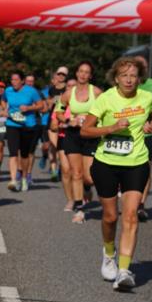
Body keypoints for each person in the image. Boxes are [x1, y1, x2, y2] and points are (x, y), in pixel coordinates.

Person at [81, 56, 152, 291]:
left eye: (133, 75)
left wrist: (150, 125)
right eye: (124, 75)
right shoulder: (105, 98)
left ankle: (124, 271)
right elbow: (85, 130)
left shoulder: (146, 97)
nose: (129, 80)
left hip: (136, 162)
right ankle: (108, 253)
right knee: (110, 216)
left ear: (139, 78)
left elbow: (150, 116)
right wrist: (111, 128)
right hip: (106, 162)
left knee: (131, 215)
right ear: (116, 78)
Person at [58, 60, 102, 223]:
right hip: (73, 135)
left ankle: (87, 187)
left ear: (90, 76)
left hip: (91, 135)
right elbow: (59, 111)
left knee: (88, 177)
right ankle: (80, 209)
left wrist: (92, 120)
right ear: (76, 73)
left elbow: (107, 110)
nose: (83, 74)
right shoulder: (69, 93)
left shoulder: (96, 92)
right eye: (81, 71)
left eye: (86, 72)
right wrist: (69, 120)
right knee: (76, 173)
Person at [0, 71, 44, 192]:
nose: (13, 82)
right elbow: (3, 100)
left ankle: (24, 178)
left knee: (24, 155)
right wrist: (5, 109)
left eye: (16, 80)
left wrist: (29, 107)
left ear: (22, 81)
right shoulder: (8, 90)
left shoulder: (31, 91)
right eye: (12, 80)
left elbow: (41, 105)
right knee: (13, 153)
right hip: (12, 124)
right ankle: (13, 180)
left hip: (27, 125)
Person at [134, 56, 152, 221]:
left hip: (148, 132)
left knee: (146, 167)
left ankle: (141, 205)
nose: (141, 68)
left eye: (143, 65)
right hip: (129, 132)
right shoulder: (127, 82)